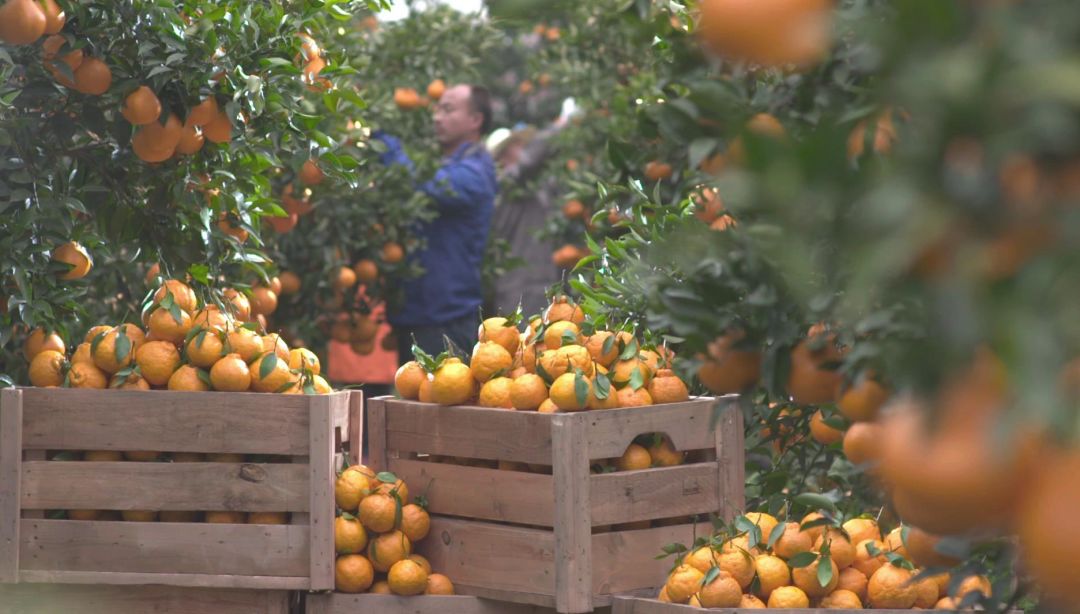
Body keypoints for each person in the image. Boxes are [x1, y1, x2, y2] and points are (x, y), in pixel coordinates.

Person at [374, 84, 498, 364]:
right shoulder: (449, 164)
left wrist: (384, 141)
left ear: (475, 120)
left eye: (448, 109)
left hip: (445, 322)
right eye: (437, 108)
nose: (436, 117)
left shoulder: (475, 171)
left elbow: (423, 185)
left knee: (440, 400)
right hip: (418, 315)